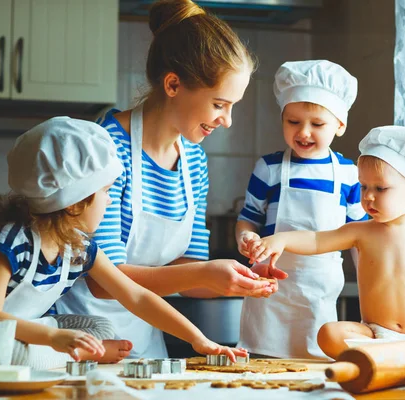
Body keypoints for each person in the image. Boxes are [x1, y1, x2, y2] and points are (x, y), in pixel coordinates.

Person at [0, 117, 247, 370]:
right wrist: (53, 337)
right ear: (74, 203)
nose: (110, 201)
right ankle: (81, 356)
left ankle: (80, 353)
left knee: (98, 328)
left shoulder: (79, 246)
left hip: (21, 330)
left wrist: (199, 340)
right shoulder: (11, 241)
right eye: (106, 191)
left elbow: (136, 296)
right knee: (18, 355)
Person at [54, 0, 274, 359]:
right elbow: (104, 281)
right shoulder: (107, 149)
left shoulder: (194, 161)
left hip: (144, 346)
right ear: (173, 84)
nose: (227, 120)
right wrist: (205, 273)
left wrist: (241, 280)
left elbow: (187, 275)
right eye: (219, 104)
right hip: (81, 342)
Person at [246, 125, 405, 359]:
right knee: (329, 333)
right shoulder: (361, 232)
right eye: (364, 186)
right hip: (375, 335)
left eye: (380, 188)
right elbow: (318, 240)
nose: (368, 196)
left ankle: (401, 357)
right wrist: (282, 239)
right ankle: (402, 358)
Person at [235, 60, 368, 359]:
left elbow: (360, 240)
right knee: (264, 370)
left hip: (319, 292)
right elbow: (248, 221)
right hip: (270, 291)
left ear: (340, 125)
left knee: (315, 368)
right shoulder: (268, 168)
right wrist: (246, 240)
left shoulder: (349, 174)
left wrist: (368, 291)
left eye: (317, 124)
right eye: (293, 122)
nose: (304, 132)